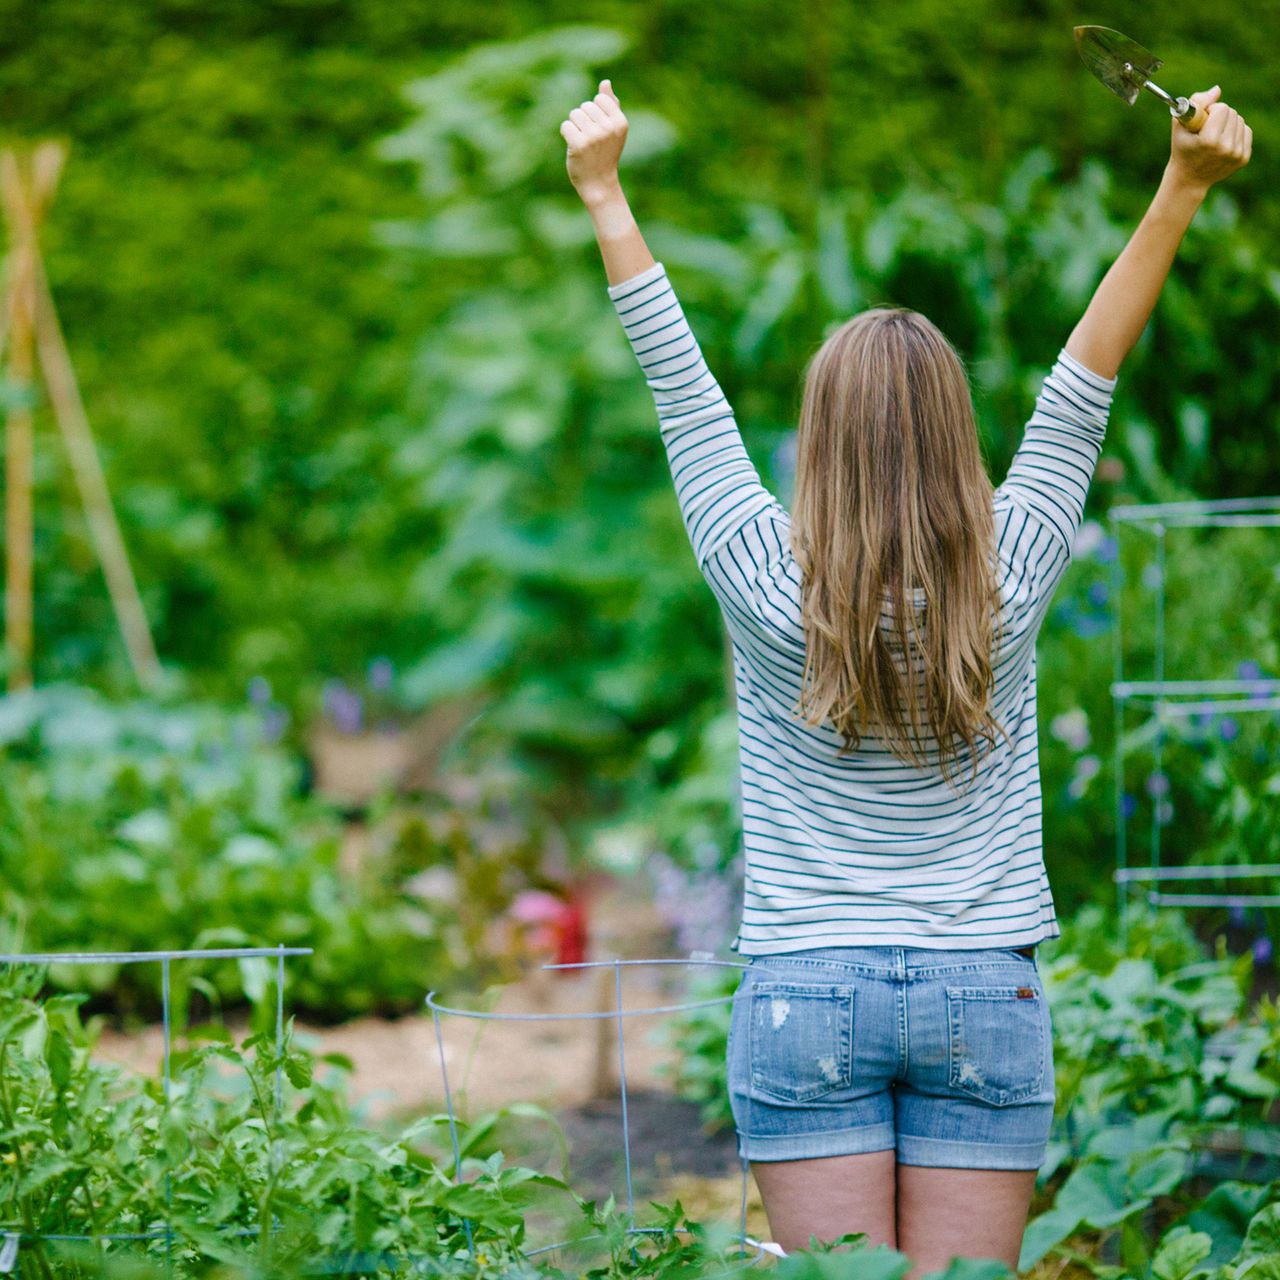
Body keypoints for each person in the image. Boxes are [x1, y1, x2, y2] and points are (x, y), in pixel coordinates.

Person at [559, 79, 1251, 1274]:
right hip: (983, 988)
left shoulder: (756, 573)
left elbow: (681, 386)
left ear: (814, 440)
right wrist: (1178, 187)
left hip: (801, 987)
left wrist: (605, 189)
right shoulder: (1015, 567)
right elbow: (1083, 381)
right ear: (959, 436)